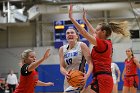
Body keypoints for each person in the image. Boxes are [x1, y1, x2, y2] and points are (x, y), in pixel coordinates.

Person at [69, 4, 130, 93]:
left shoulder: (102, 44)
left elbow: (84, 32)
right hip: (100, 78)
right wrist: (85, 20)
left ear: (103, 32)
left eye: (97, 30)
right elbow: (93, 31)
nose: (95, 32)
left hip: (103, 79)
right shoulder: (106, 42)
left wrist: (71, 18)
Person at [59, 27, 93, 93]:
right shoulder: (62, 49)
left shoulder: (82, 45)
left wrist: (86, 76)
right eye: (67, 33)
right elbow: (61, 67)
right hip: (68, 79)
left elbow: (90, 63)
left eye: (72, 32)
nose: (70, 34)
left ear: (77, 36)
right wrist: (66, 73)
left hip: (79, 78)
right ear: (66, 36)